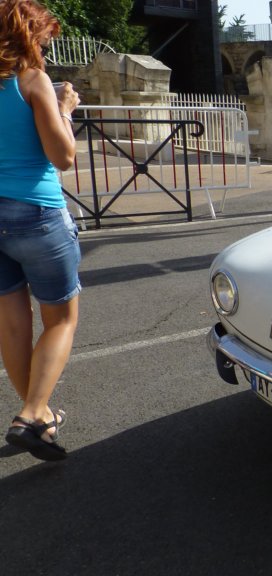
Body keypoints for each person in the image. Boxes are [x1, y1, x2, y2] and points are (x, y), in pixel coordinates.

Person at [0, 0, 82, 462]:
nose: (46, 50)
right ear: (27, 36)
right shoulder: (32, 80)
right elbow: (62, 156)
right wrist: (65, 108)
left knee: (12, 322)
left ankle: (40, 415)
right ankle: (32, 414)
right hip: (36, 212)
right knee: (61, 320)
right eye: (44, 41)